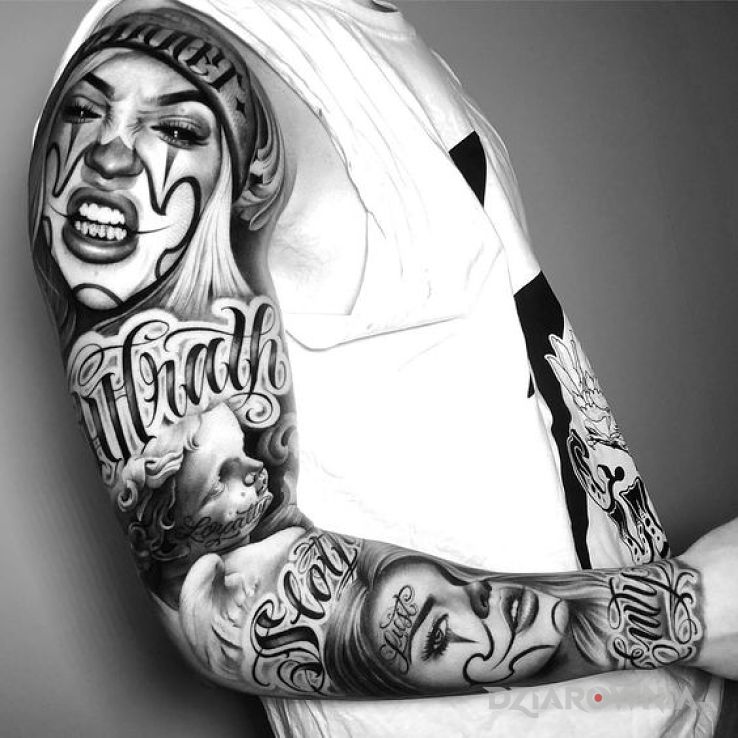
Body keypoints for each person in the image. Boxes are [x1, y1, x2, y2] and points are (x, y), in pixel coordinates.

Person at [28, 2, 735, 737]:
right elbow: (224, 599)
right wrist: (688, 611)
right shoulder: (177, 59)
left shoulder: (370, 29)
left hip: (660, 701)